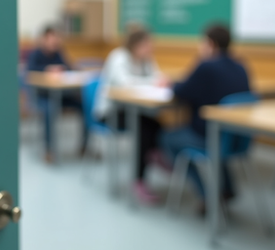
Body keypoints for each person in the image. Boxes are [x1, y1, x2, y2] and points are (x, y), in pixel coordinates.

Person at [160, 24, 250, 215]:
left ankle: (207, 195)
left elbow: (181, 91)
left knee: (168, 139)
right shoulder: (241, 66)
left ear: (210, 44)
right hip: (237, 140)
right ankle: (227, 189)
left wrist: (172, 83)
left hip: (209, 137)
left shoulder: (206, 66)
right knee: (221, 133)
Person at [94, 27, 166, 204]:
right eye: (147, 44)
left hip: (134, 110)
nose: (150, 48)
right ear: (136, 45)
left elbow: (157, 76)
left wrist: (158, 80)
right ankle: (138, 180)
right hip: (110, 112)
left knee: (156, 125)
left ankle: (153, 154)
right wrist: (153, 82)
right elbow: (126, 83)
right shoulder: (118, 57)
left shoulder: (146, 59)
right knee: (143, 130)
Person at [26, 26, 87, 162]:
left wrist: (72, 68)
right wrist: (47, 69)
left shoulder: (59, 53)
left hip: (62, 95)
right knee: (49, 109)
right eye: (51, 38)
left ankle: (84, 146)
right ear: (44, 39)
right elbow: (30, 71)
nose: (55, 41)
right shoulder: (36, 54)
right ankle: (49, 150)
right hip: (42, 96)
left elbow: (68, 67)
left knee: (84, 105)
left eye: (57, 38)